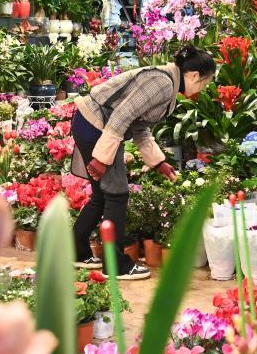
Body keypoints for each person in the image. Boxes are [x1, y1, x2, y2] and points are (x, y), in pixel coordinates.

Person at [71, 45, 216, 279]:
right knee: (116, 194)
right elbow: (122, 116)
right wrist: (101, 159)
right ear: (193, 75)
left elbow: (139, 126)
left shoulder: (167, 83)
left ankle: (76, 250)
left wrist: (158, 162)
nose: (203, 88)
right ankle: (115, 264)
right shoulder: (163, 83)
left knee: (102, 195)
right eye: (205, 82)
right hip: (97, 126)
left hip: (92, 125)